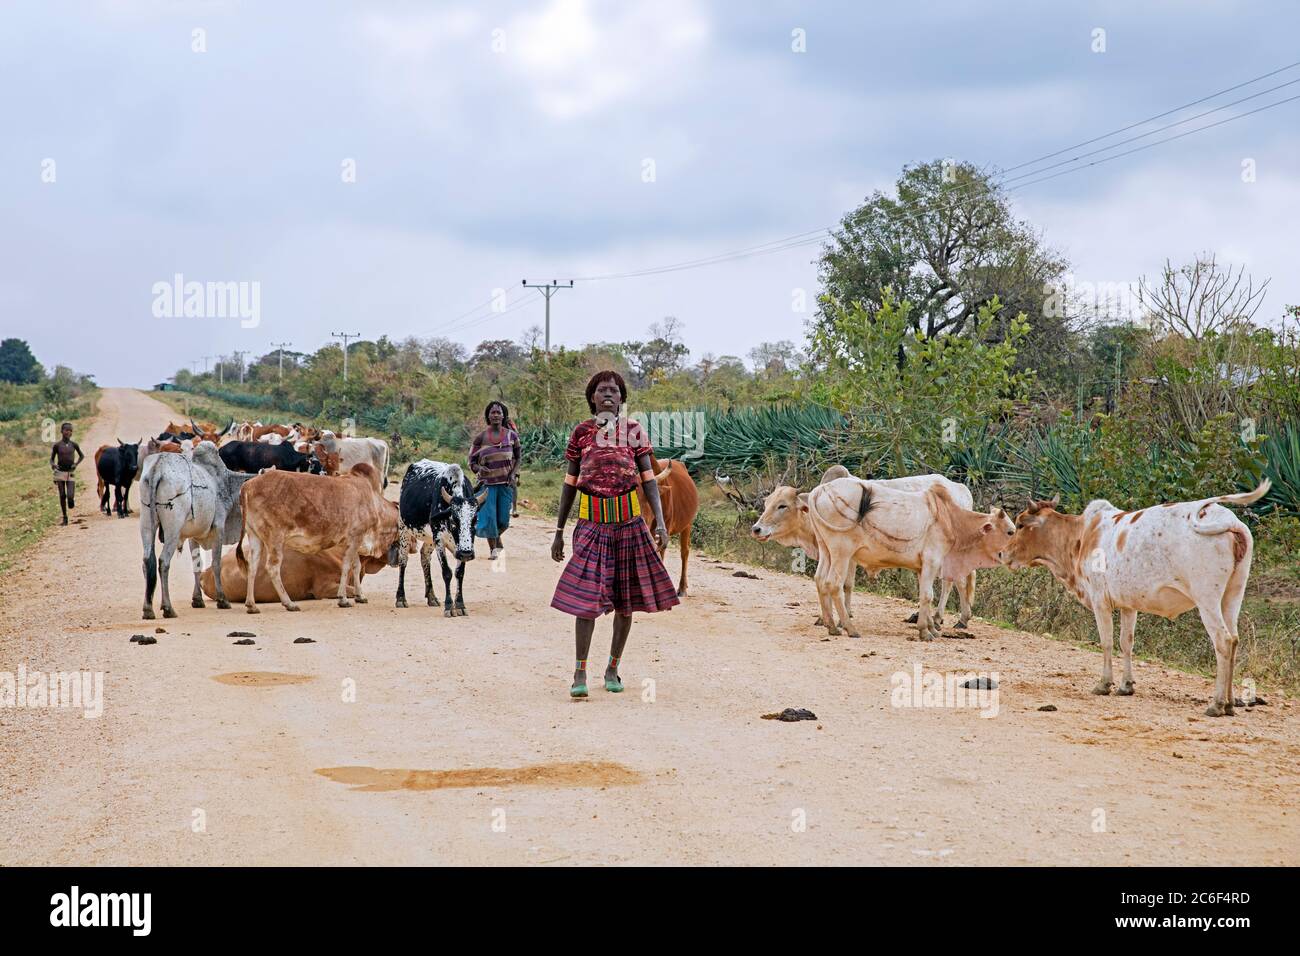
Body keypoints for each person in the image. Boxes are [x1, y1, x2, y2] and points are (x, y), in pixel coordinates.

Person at [551, 371, 678, 698]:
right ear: (592, 398)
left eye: (614, 391)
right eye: (601, 390)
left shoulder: (634, 431)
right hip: (591, 525)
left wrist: (660, 524)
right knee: (586, 601)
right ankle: (579, 672)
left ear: (622, 398)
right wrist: (559, 531)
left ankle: (612, 668)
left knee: (625, 601)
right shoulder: (581, 433)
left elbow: (649, 480)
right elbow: (569, 484)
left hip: (628, 524)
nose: (608, 394)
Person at [468, 401, 520, 559]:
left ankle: (497, 538)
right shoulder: (481, 437)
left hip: (505, 484)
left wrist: (513, 474)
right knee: (489, 519)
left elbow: (518, 457)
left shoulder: (512, 436)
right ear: (488, 416)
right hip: (487, 485)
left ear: (503, 415)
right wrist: (478, 468)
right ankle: (494, 550)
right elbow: (471, 461)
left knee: (503, 521)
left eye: (498, 412)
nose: (496, 415)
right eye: (493, 412)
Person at [49, 422, 84, 526]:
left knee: (70, 495)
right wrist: (54, 465)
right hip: (60, 472)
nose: (69, 432)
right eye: (66, 430)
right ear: (61, 431)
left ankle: (71, 500)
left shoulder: (74, 445)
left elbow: (82, 456)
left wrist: (76, 464)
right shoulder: (57, 445)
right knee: (62, 495)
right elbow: (51, 459)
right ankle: (65, 517)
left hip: (70, 472)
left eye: (70, 430)